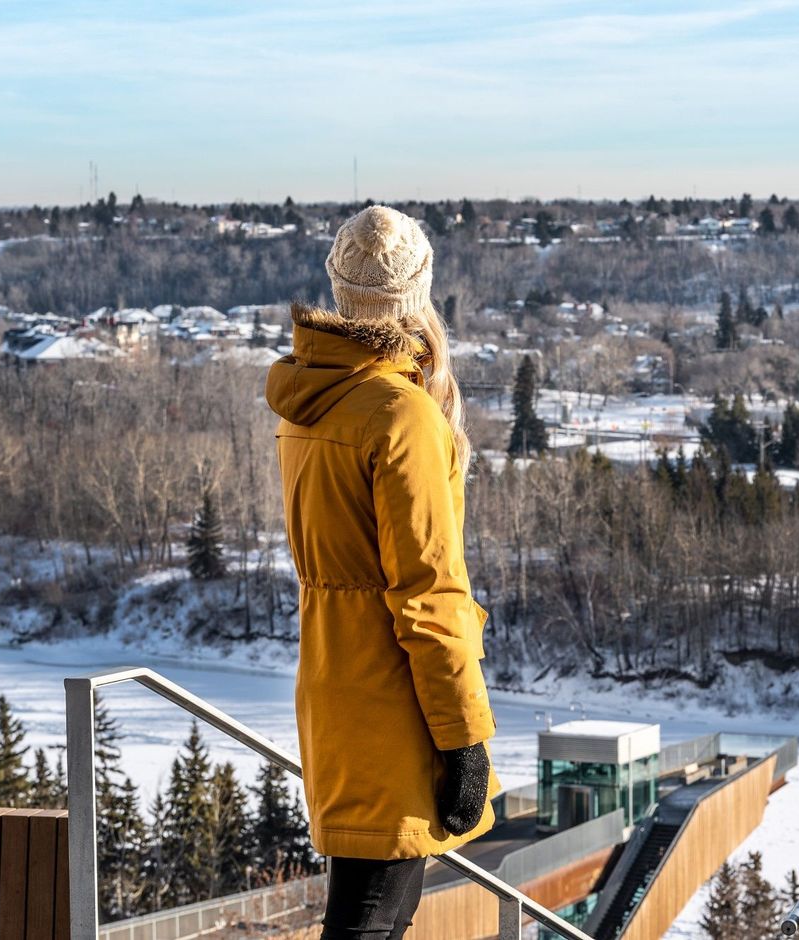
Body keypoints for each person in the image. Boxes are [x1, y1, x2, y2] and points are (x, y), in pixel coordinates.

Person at [266, 205, 498, 938]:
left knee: (369, 915)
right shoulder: (400, 414)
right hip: (396, 706)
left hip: (334, 689)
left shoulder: (312, 400)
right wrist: (464, 739)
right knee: (370, 921)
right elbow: (429, 595)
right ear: (418, 294)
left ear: (341, 289)